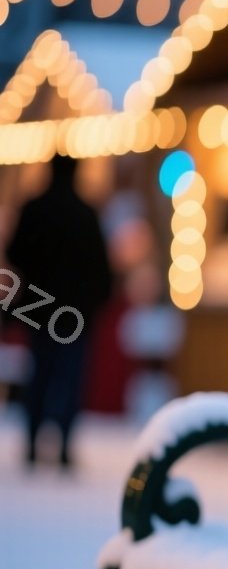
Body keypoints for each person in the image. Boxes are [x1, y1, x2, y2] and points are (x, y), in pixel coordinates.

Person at [5, 154, 113, 469]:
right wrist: (93, 305)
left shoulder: (34, 208)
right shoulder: (85, 213)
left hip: (38, 307)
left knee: (39, 375)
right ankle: (64, 445)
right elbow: (100, 268)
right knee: (70, 378)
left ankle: (32, 443)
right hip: (75, 313)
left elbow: (15, 253)